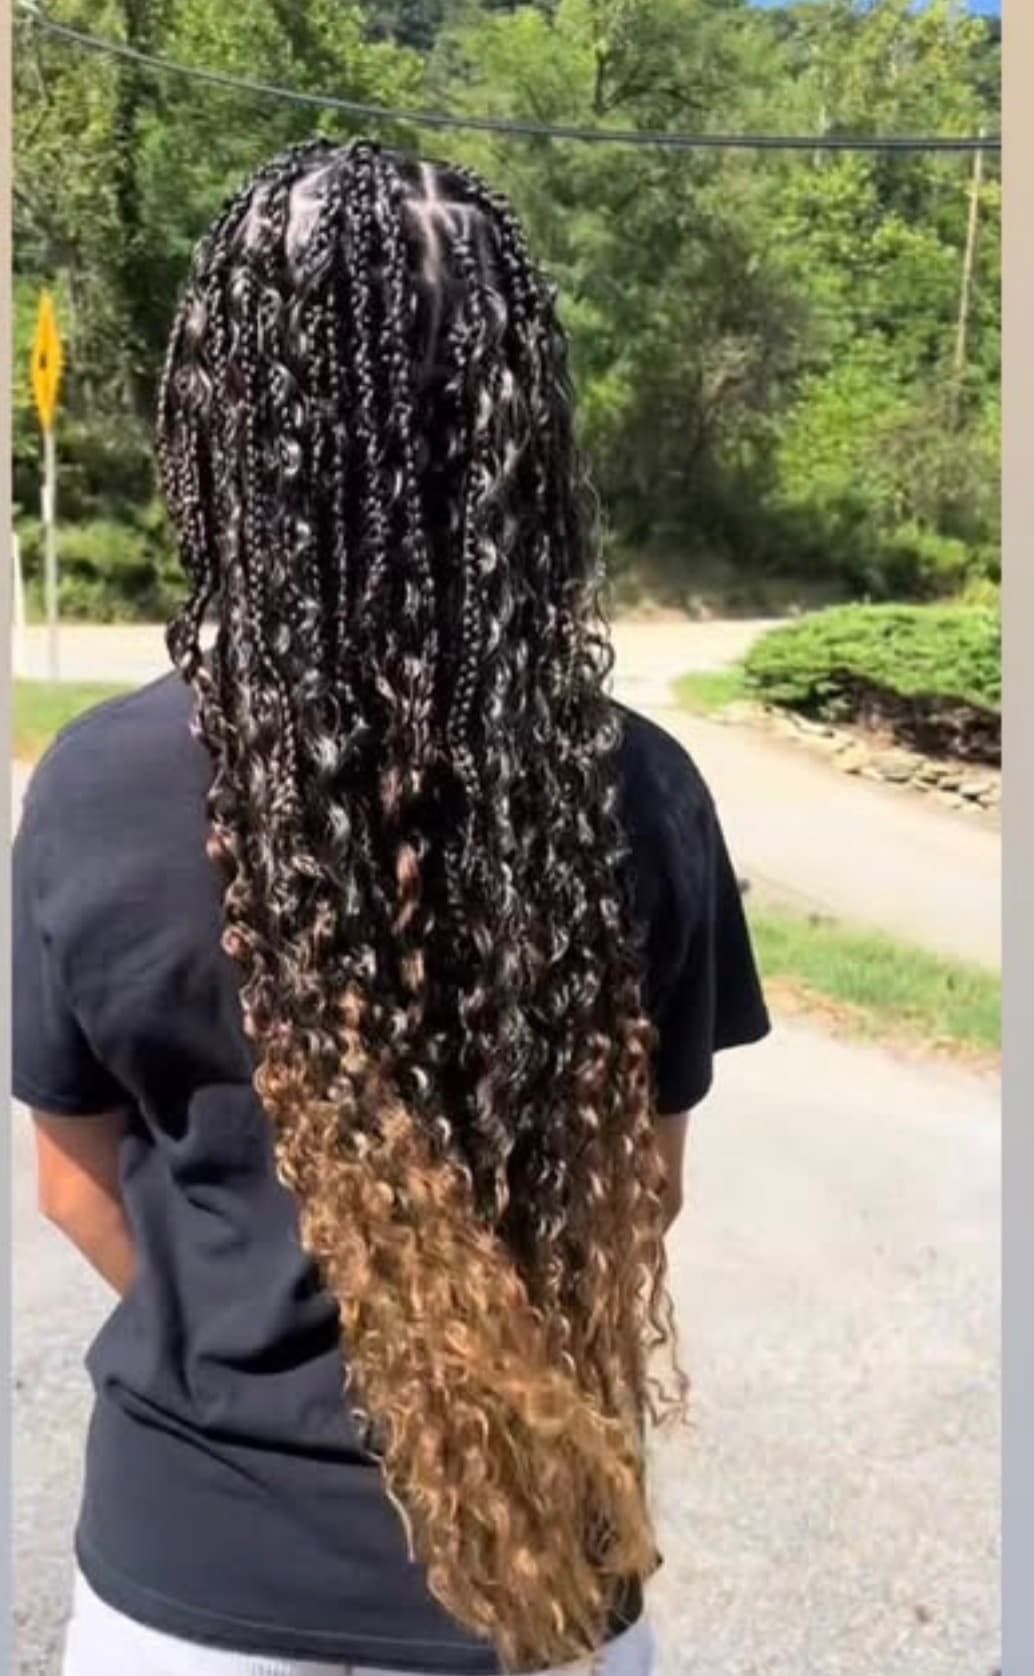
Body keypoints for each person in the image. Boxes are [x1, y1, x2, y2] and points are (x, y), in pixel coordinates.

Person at [12, 138, 770, 1676]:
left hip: (191, 1580)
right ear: (517, 428)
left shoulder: (95, 787)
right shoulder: (639, 792)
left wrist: (249, 1353)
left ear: (229, 416)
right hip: (540, 1587)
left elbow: (73, 1183)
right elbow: (643, 1189)